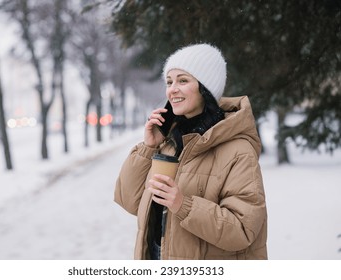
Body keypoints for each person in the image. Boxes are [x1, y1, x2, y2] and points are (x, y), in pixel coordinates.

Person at [114, 43, 267, 260]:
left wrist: (182, 204)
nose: (172, 89)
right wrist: (148, 147)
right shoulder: (170, 141)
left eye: (183, 80)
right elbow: (130, 202)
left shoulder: (238, 150)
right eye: (169, 81)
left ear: (205, 89)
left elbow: (243, 231)